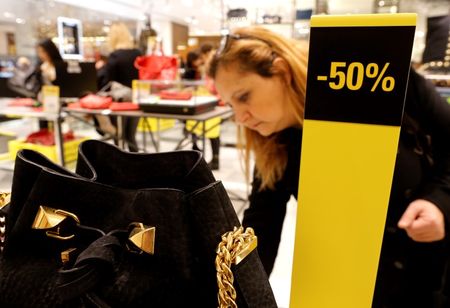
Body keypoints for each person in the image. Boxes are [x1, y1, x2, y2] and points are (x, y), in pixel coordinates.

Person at [208, 26, 450, 308]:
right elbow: (262, 225)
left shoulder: (387, 78)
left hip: (427, 271)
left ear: (282, 71)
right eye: (230, 105)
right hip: (348, 283)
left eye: (244, 97)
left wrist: (438, 202)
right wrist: (231, 294)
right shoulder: (274, 142)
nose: (239, 117)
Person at [101, 22, 142, 152]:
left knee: (119, 136)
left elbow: (108, 81)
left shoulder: (115, 56)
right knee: (131, 136)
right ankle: (138, 165)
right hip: (136, 100)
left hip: (120, 102)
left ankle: (120, 165)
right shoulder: (138, 53)